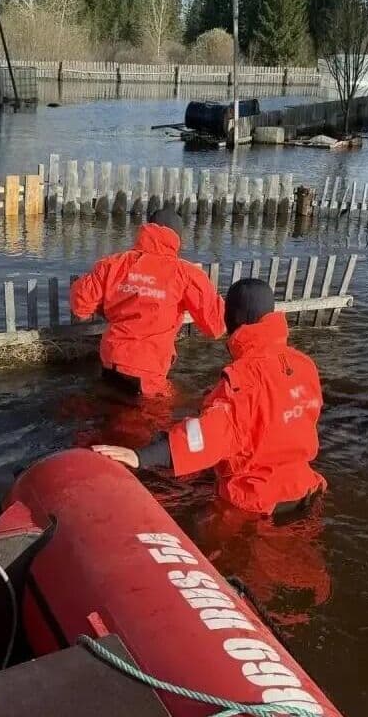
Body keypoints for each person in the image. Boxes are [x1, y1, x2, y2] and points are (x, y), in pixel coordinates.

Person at [92, 278, 326, 515]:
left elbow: (205, 437)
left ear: (232, 320)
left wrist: (141, 457)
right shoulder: (304, 364)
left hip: (256, 499)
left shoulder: (242, 378)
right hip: (305, 487)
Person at [70, 205, 226, 397]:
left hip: (111, 357)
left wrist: (109, 305)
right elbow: (216, 326)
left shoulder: (113, 264)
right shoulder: (187, 274)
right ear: (177, 238)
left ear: (147, 229)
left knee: (109, 406)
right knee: (160, 415)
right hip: (148, 367)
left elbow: (80, 305)